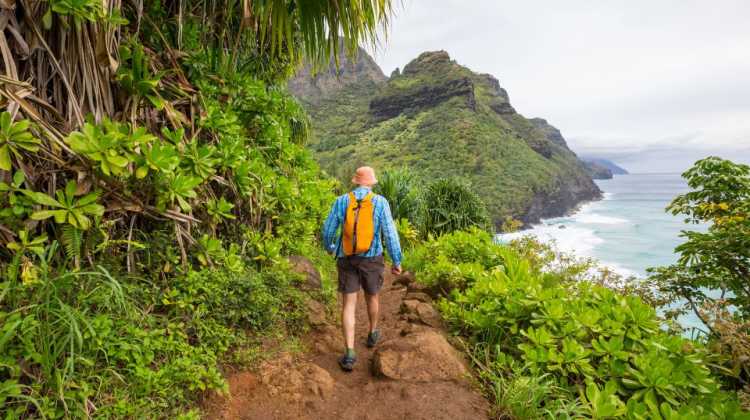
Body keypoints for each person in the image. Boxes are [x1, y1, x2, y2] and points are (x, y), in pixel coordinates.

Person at [322, 166, 403, 372]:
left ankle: (349, 353)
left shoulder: (341, 201)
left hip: (346, 257)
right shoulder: (380, 202)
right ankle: (373, 332)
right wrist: (396, 260)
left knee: (349, 304)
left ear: (356, 181)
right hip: (372, 258)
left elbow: (328, 229)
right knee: (372, 296)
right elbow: (390, 233)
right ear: (371, 182)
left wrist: (331, 247)